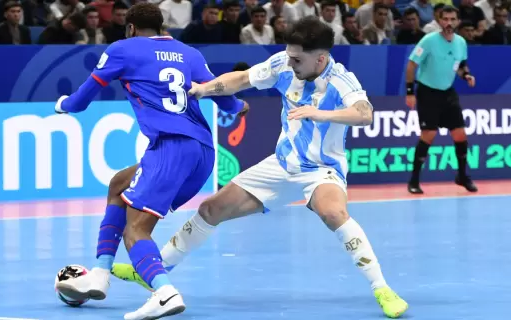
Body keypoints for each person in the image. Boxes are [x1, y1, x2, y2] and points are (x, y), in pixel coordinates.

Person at [111, 15, 409, 319]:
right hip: (280, 165)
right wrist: (205, 89)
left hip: (321, 169)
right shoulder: (283, 63)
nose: (290, 63)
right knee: (211, 209)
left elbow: (364, 114)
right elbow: (241, 79)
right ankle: (155, 267)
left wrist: (320, 114)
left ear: (320, 59)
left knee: (333, 213)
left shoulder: (341, 79)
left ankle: (382, 288)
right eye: (289, 55)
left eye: (297, 59)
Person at [52, 3, 247, 320]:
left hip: (170, 148)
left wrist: (63, 105)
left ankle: (164, 293)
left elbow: (83, 98)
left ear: (130, 28)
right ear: (162, 27)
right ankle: (100, 274)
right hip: (202, 152)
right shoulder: (189, 53)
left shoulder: (123, 49)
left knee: (136, 231)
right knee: (119, 184)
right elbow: (223, 95)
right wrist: (238, 106)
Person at [405, 5, 477, 194]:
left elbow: (460, 65)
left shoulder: (461, 42)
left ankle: (462, 176)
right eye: (445, 19)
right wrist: (410, 92)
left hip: (448, 92)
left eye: (453, 19)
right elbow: (412, 65)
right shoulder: (429, 40)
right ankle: (414, 180)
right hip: (428, 92)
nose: (449, 23)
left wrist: (466, 75)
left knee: (460, 134)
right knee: (428, 134)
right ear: (439, 20)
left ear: (458, 21)